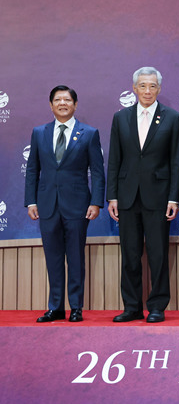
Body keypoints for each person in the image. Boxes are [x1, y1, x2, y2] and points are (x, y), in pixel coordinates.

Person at [107, 67, 179, 323]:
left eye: (152, 86)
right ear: (134, 88)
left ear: (159, 89)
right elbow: (115, 159)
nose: (147, 91)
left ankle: (157, 307)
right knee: (130, 255)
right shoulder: (121, 118)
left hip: (159, 197)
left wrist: (174, 198)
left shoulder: (173, 118)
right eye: (143, 85)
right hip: (127, 197)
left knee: (158, 254)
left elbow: (176, 161)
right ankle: (131, 306)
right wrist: (112, 196)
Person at [25, 85, 105, 323]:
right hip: (47, 203)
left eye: (67, 100)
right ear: (51, 105)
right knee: (53, 257)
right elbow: (32, 170)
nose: (63, 103)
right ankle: (56, 307)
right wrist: (31, 201)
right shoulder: (39, 132)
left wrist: (96, 202)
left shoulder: (89, 133)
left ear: (75, 105)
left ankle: (76, 307)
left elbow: (97, 172)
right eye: (58, 100)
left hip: (78, 205)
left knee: (76, 257)